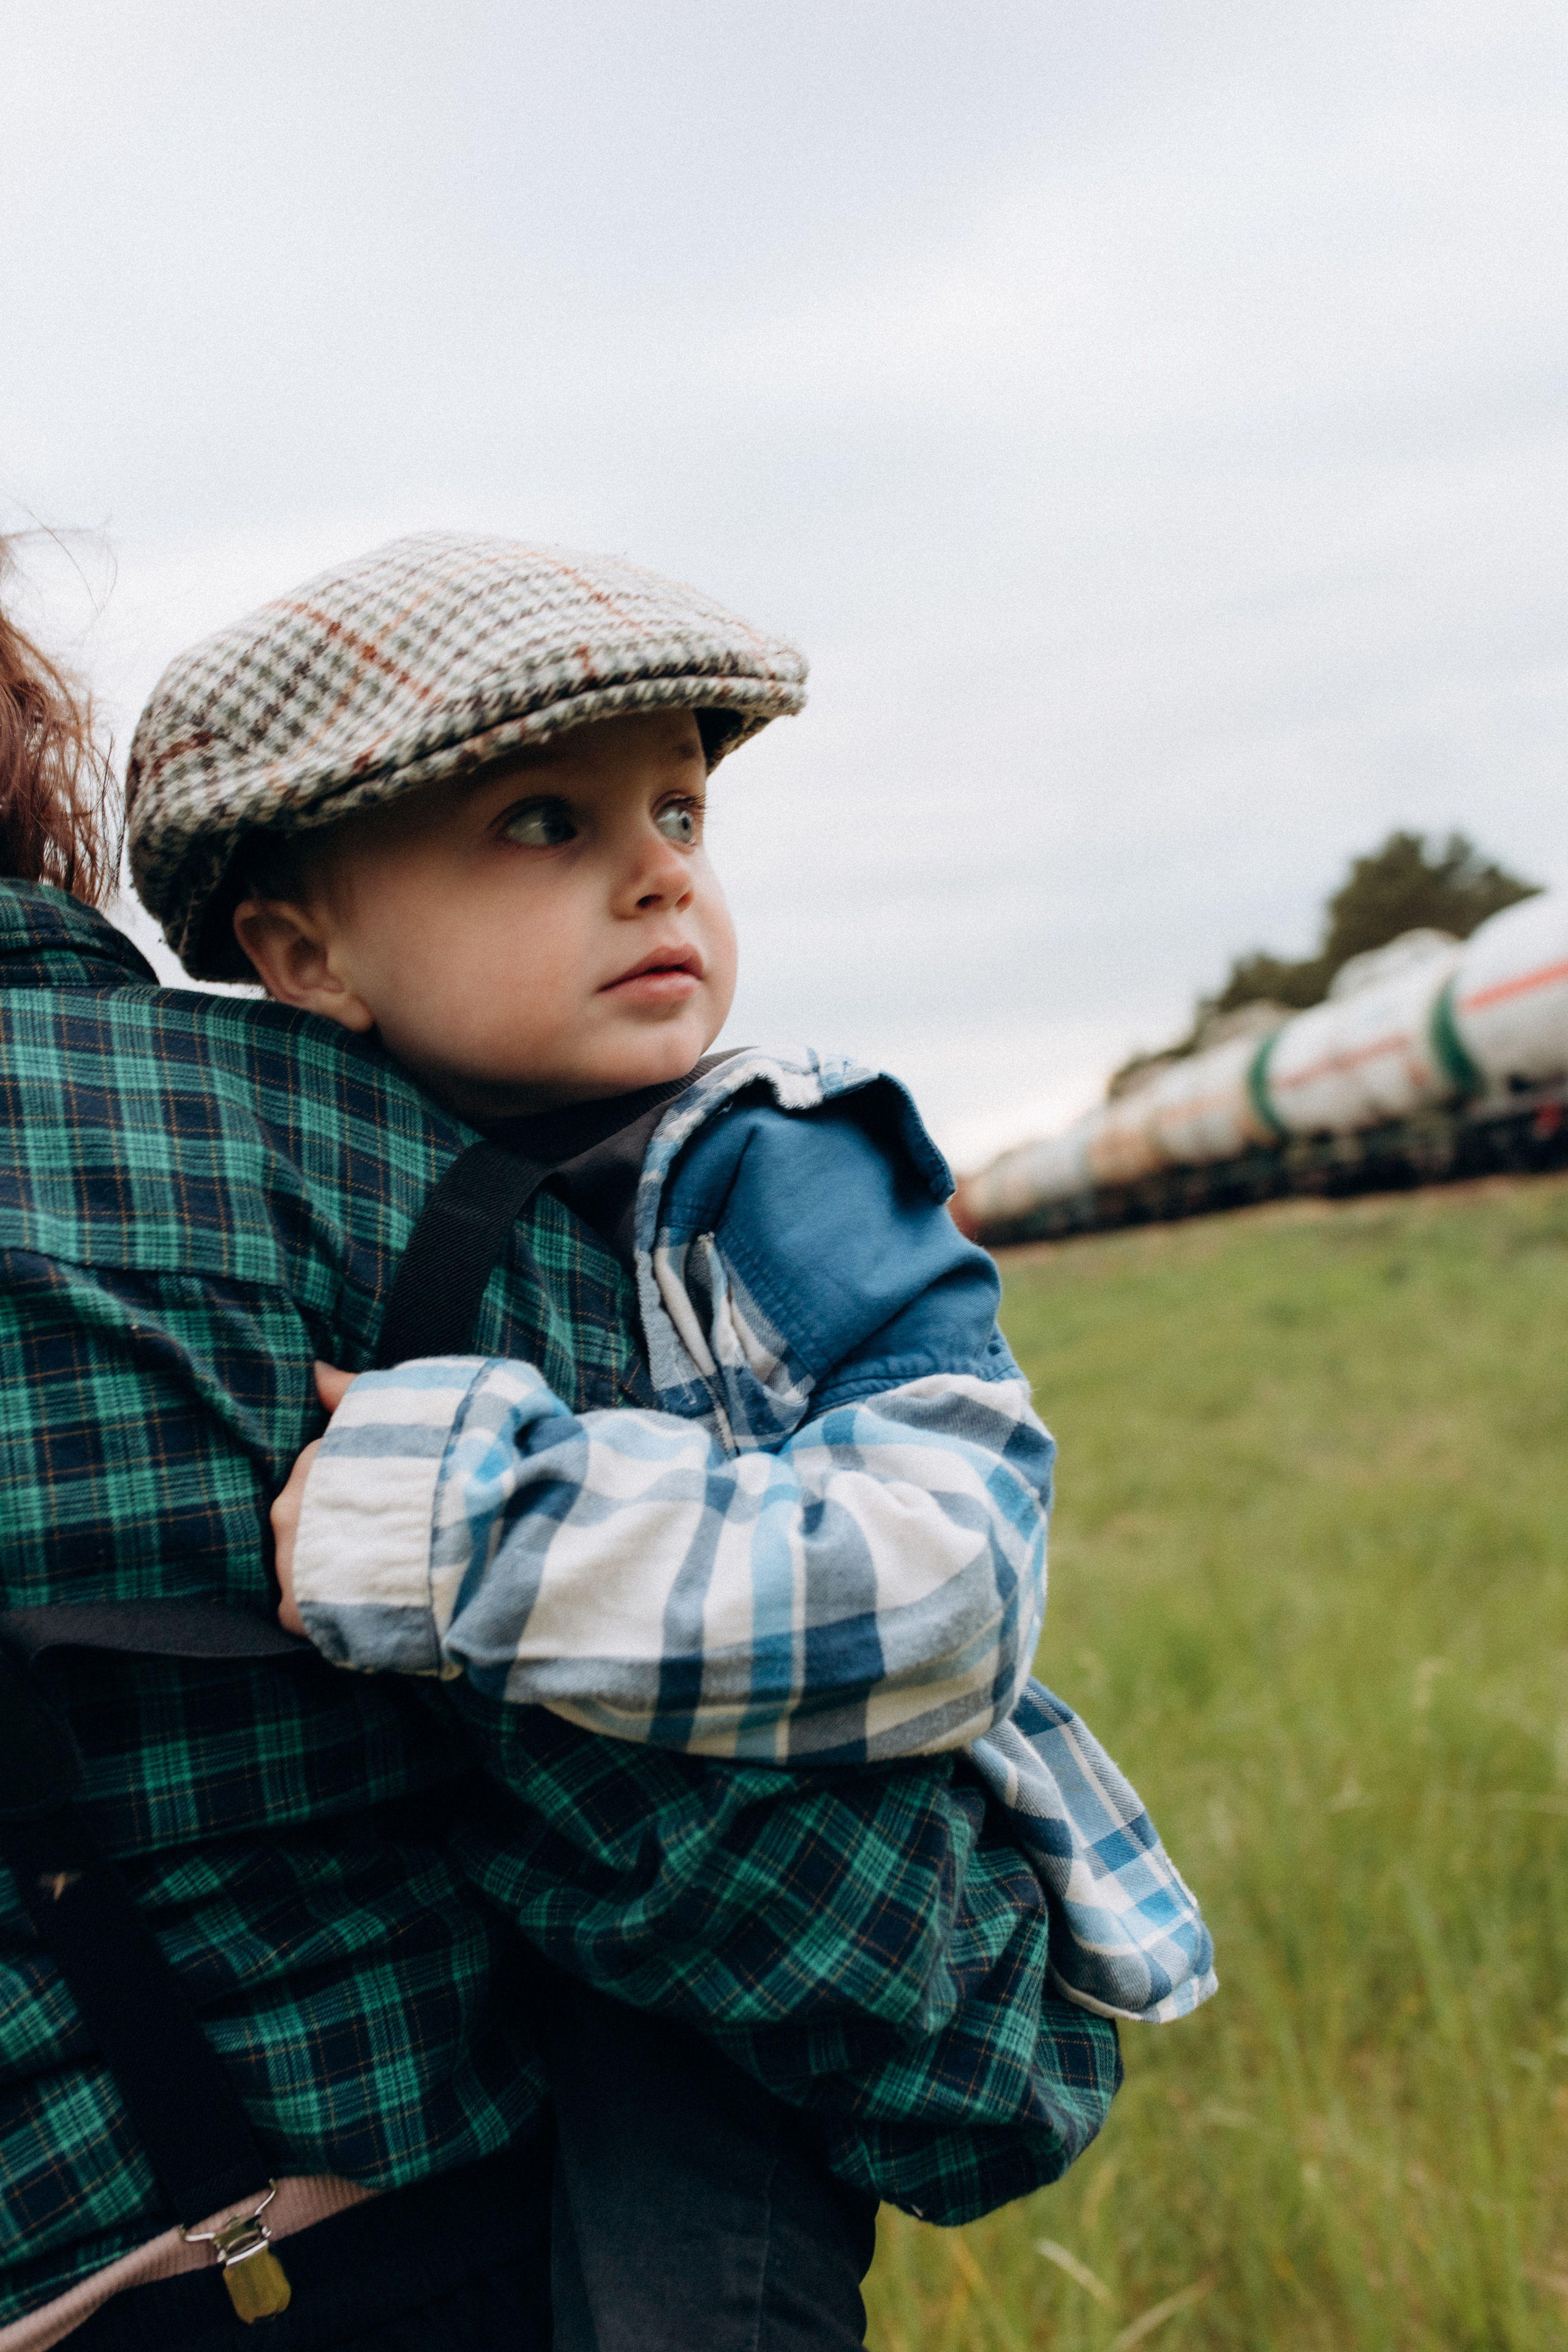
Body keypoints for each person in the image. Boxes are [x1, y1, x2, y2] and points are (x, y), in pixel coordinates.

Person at [0, 537, 1130, 2352]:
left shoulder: (774, 1167)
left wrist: (471, 1532)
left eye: (680, 810)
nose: (663, 873)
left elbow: (956, 1582)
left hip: (721, 2000)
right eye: (546, 822)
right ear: (302, 954)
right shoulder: (366, 1168)